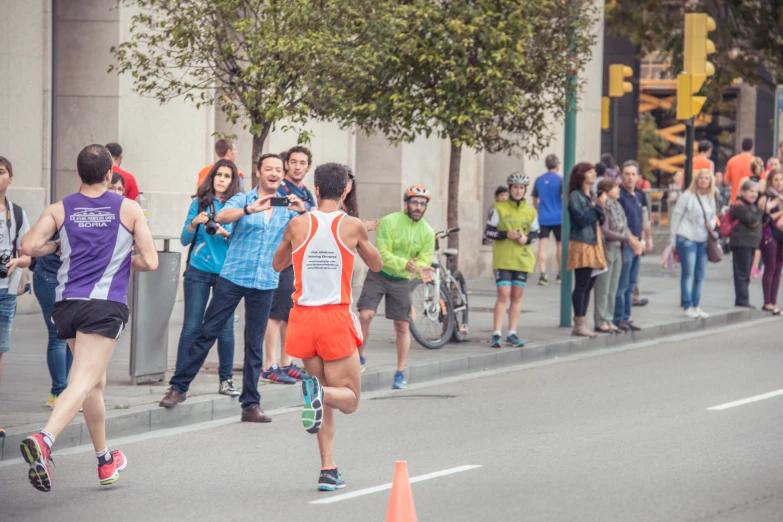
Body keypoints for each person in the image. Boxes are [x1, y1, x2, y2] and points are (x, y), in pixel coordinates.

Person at [19, 144, 158, 492]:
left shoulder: (60, 208)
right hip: (103, 305)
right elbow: (151, 261)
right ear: (110, 173)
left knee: (95, 383)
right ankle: (45, 438)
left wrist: (55, 247)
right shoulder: (128, 208)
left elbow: (29, 245)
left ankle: (104, 459)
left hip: (67, 306)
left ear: (78, 173)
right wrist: (125, 260)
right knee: (81, 382)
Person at [160, 154, 305, 420]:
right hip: (234, 277)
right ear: (258, 172)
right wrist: (251, 210)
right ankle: (178, 387)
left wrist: (303, 212)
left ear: (282, 175)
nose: (274, 173)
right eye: (268, 169)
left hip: (265, 281)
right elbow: (224, 216)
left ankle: (250, 404)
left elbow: (306, 233)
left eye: (278, 170)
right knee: (207, 333)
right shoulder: (244, 199)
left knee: (254, 344)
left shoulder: (288, 205)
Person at [273, 163, 382, 491]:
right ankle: (317, 393)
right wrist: (362, 237)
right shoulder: (351, 226)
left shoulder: (298, 224)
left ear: (315, 189)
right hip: (335, 317)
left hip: (303, 319)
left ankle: (328, 469)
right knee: (348, 398)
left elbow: (278, 263)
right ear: (345, 190)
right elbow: (376, 264)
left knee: (322, 401)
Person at [175, 159, 242, 397]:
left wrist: (225, 233)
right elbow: (184, 239)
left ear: (233, 181)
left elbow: (241, 242)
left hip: (227, 274)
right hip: (198, 270)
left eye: (227, 176)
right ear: (212, 177)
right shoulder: (199, 203)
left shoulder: (238, 207)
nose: (222, 179)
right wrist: (194, 222)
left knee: (225, 329)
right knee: (191, 328)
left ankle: (226, 380)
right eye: (219, 175)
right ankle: (179, 384)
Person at [357, 185, 435, 387]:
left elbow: (424, 258)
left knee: (402, 326)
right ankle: (360, 357)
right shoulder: (389, 221)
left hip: (401, 280)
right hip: (378, 273)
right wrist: (406, 263)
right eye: (414, 202)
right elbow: (382, 251)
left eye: (423, 204)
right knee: (365, 315)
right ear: (406, 203)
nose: (418, 207)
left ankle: (400, 372)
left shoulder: (427, 232)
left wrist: (419, 267)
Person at [262, 146, 318, 385]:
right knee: (275, 313)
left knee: (289, 313)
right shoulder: (281, 188)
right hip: (280, 256)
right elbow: (273, 203)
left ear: (308, 167)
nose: (297, 166)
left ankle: (286, 362)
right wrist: (304, 209)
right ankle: (269, 365)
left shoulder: (305, 191)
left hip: (299, 259)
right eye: (293, 162)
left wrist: (308, 209)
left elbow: (313, 215)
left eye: (302, 162)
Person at [484, 172, 539, 347]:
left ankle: (512, 333)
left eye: (521, 188)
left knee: (516, 296)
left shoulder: (530, 211)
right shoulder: (498, 208)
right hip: (503, 259)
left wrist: (526, 239)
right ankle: (496, 333)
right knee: (503, 294)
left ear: (525, 190)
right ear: (509, 189)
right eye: (515, 187)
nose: (518, 191)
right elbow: (488, 231)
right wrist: (505, 234)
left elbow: (536, 233)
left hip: (522, 259)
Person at [0, 157, 32, 387]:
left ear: (10, 178)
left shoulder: (18, 214)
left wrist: (16, 262)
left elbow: (27, 256)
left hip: (6, 291)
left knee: (0, 350)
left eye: (1, 171)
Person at [594, 178, 641, 334]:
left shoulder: (617, 206)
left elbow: (624, 226)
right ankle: (601, 320)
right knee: (604, 287)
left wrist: (631, 238)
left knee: (613, 286)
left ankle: (609, 318)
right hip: (608, 249)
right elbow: (605, 231)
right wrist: (626, 239)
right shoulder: (604, 206)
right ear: (606, 191)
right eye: (615, 188)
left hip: (618, 249)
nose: (618, 190)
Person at [669, 169, 717, 318]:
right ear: (696, 180)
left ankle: (696, 305)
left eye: (706, 178)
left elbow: (714, 217)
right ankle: (687, 305)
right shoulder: (687, 196)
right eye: (701, 178)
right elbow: (675, 218)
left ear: (710, 182)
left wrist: (712, 225)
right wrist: (673, 241)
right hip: (687, 236)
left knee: (700, 274)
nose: (703, 181)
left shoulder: (711, 198)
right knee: (688, 273)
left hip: (703, 238)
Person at [567, 163, 607, 337]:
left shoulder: (590, 194)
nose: (594, 174)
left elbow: (600, 220)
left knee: (590, 283)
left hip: (594, 241)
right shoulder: (576, 196)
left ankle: (583, 322)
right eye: (590, 172)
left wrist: (600, 208)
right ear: (582, 175)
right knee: (582, 283)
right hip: (582, 243)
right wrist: (597, 206)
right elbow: (582, 220)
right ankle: (579, 323)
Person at [33, 234, 69, 408]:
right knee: (58, 335)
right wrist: (56, 244)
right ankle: (60, 393)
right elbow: (30, 243)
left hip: (73, 277)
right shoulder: (58, 214)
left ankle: (62, 392)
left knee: (71, 335)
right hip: (50, 275)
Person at [614, 161, 646, 332]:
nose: (630, 177)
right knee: (623, 283)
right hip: (625, 244)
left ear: (638, 177)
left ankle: (626, 317)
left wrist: (642, 240)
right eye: (626, 174)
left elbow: (640, 220)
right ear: (621, 176)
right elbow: (621, 222)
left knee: (632, 283)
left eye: (633, 174)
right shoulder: (619, 195)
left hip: (636, 244)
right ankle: (618, 317)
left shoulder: (638, 196)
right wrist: (632, 240)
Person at [730, 180, 764, 308]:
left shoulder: (752, 206)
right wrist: (760, 210)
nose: (754, 194)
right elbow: (752, 220)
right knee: (742, 272)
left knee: (746, 271)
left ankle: (743, 298)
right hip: (741, 242)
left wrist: (764, 209)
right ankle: (742, 299)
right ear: (743, 192)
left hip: (750, 243)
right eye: (751, 191)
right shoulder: (740, 205)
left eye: (756, 192)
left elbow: (761, 219)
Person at [532, 154, 563, 286]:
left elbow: (535, 199)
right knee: (560, 245)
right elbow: (563, 197)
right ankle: (560, 274)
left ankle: (543, 274)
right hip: (559, 216)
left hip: (543, 217)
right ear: (557, 165)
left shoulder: (539, 180)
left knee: (542, 246)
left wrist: (540, 210)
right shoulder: (561, 179)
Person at [757, 169, 783, 314]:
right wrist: (778, 212)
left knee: (778, 269)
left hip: (781, 235)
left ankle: (774, 302)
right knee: (770, 267)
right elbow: (764, 219)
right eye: (776, 180)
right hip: (769, 234)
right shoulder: (766, 197)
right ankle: (767, 302)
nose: (779, 183)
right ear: (770, 182)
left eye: (781, 179)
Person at [725, 138, 759, 203]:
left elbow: (726, 181)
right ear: (752, 148)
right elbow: (763, 181)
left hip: (735, 199)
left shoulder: (732, 161)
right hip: (751, 200)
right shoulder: (756, 162)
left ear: (741, 147)